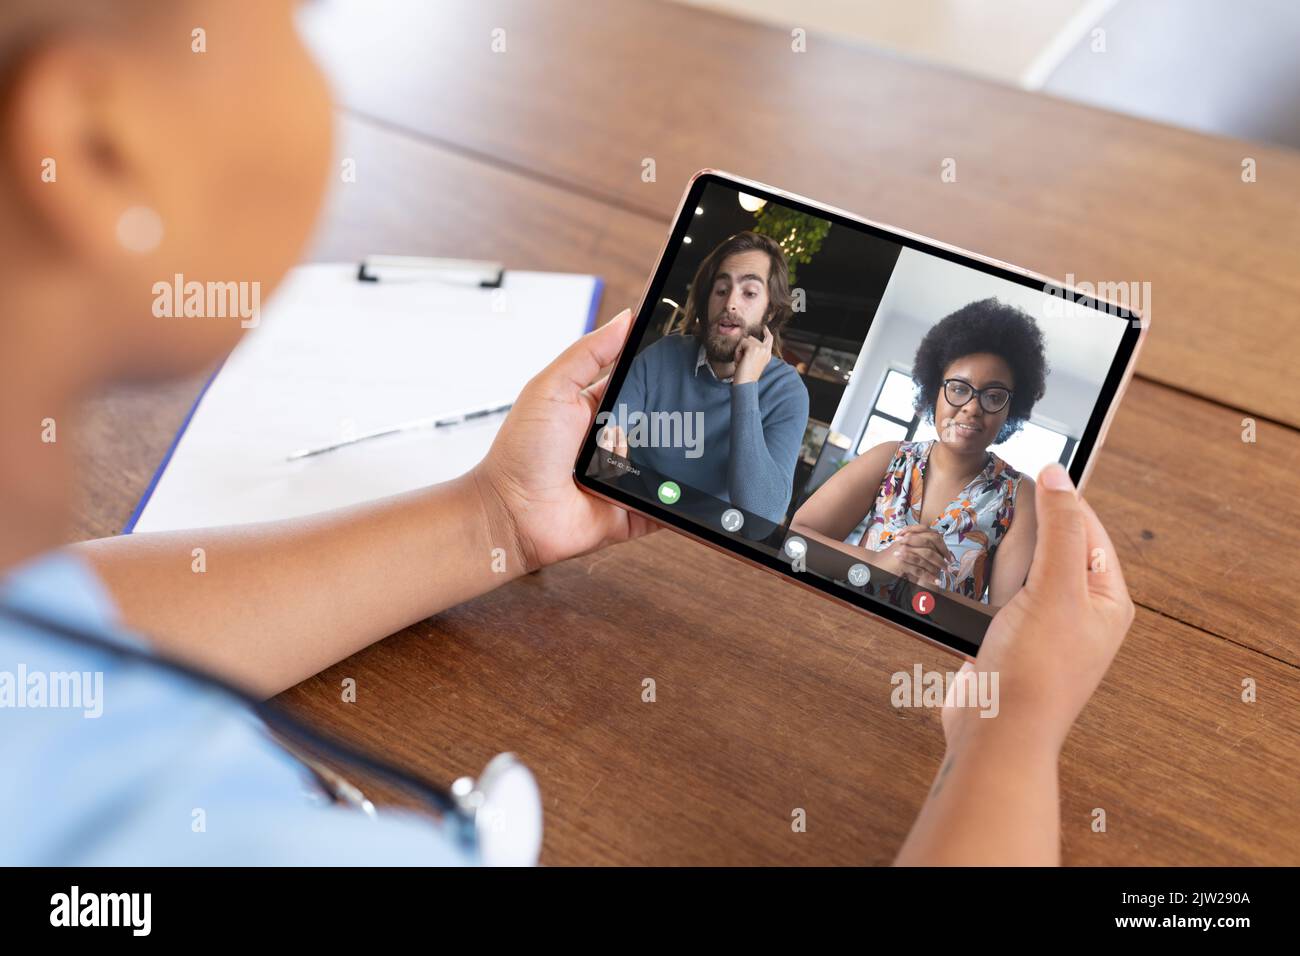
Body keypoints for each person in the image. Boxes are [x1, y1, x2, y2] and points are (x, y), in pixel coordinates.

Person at [0, 0, 1132, 866]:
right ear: (97, 146)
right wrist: (1012, 726)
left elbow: (49, 646)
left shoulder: (807, 405)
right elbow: (793, 527)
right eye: (294, 17)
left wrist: (493, 518)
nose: (970, 407)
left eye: (995, 398)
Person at [792, 299, 1049, 606]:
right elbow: (796, 540)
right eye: (958, 388)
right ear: (934, 391)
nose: (972, 407)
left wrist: (935, 597)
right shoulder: (890, 459)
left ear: (1011, 409)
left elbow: (1008, 623)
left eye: (994, 396)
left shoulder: (1018, 496)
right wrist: (875, 563)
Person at [599, 231, 809, 524]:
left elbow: (762, 517)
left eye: (749, 293)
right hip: (629, 509)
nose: (730, 304)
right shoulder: (664, 353)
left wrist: (745, 387)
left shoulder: (788, 392)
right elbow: (609, 430)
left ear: (771, 309)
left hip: (707, 537)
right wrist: (606, 442)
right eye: (721, 290)